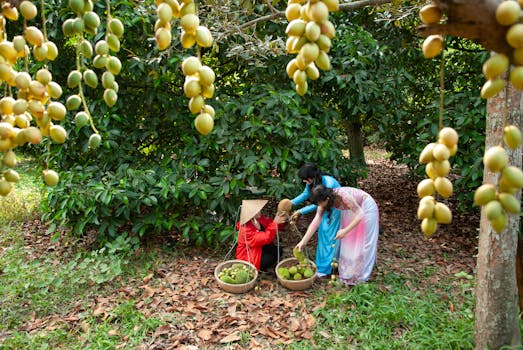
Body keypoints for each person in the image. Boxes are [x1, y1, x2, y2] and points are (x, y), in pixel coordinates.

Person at [295, 184, 379, 285]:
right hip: (351, 209)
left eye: (320, 203)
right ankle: (348, 275)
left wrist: (345, 230)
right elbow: (316, 221)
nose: (320, 206)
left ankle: (362, 277)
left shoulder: (344, 197)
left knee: (364, 242)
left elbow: (360, 214)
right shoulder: (323, 201)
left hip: (365, 207)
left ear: (327, 198)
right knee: (349, 242)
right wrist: (303, 241)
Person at [290, 163, 341, 277]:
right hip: (324, 208)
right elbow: (306, 195)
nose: (304, 181)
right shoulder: (312, 182)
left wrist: (300, 211)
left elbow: (318, 204)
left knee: (330, 237)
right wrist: (291, 203)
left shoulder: (329, 183)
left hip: (336, 209)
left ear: (311, 177)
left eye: (304, 179)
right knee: (323, 233)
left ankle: (327, 268)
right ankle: (323, 264)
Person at [235, 199, 287, 271]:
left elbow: (270, 224)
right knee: (270, 258)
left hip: (259, 249)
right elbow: (266, 238)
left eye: (259, 210)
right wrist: (275, 223)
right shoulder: (245, 229)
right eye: (256, 211)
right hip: (249, 257)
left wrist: (281, 220)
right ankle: (258, 269)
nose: (259, 212)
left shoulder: (259, 219)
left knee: (279, 250)